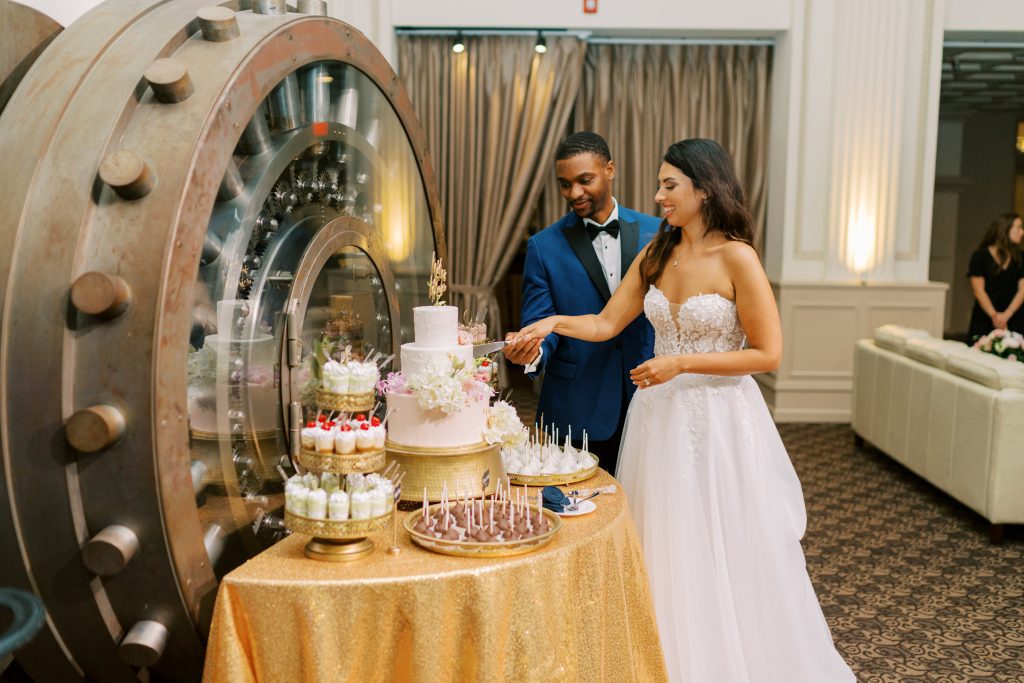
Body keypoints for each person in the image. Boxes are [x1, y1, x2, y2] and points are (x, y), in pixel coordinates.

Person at [507, 138, 854, 682]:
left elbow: (768, 353)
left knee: (722, 540)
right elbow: (604, 324)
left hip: (719, 422)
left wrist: (683, 363)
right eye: (660, 185)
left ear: (705, 188)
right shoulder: (657, 254)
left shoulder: (737, 256)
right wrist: (552, 324)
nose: (658, 195)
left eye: (670, 185)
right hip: (658, 422)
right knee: (661, 543)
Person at [503, 132, 660, 473]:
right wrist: (534, 350)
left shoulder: (658, 232)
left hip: (651, 398)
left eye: (584, 180)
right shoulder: (543, 247)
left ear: (610, 169)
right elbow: (542, 324)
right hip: (578, 406)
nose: (574, 193)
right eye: (564, 184)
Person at [967, 212, 1024, 340]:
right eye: (1019, 227)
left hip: (1014, 317)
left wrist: (1007, 315)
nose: (1022, 232)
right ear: (1005, 229)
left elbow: (1023, 289)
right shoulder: (980, 256)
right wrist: (995, 316)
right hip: (984, 318)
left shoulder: (1021, 257)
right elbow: (978, 290)